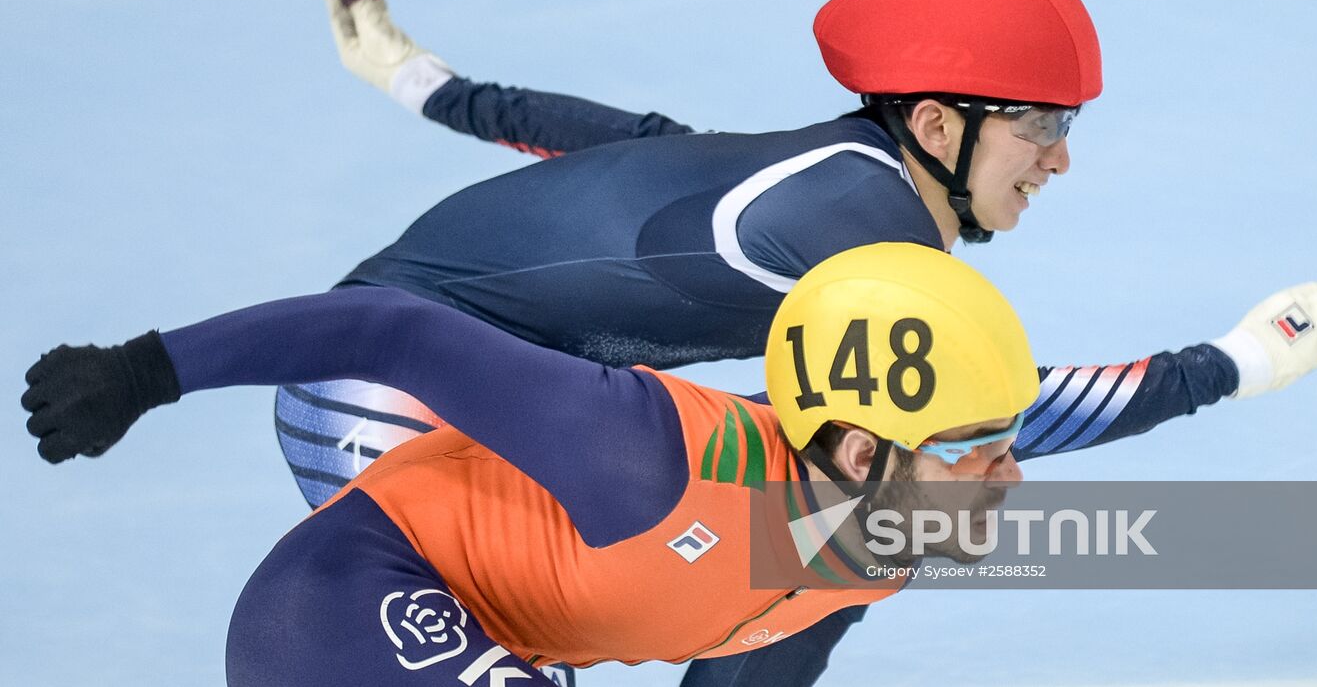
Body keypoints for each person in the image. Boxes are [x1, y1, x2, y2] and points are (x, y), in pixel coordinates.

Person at [28, 0, 1317, 687]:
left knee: (805, 554)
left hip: (502, 390)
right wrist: (1230, 365)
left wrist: (429, 85)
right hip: (392, 391)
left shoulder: (830, 175)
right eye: (1047, 127)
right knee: (760, 541)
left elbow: (630, 152)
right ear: (947, 121)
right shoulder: (872, 240)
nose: (1062, 160)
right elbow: (991, 413)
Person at [15, 244, 1202, 683]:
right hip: (338, 604)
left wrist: (1223, 364)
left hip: (506, 637)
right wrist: (142, 370)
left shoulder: (882, 538)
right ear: (855, 445)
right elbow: (392, 330)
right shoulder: (645, 457)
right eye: (972, 455)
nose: (1010, 480)